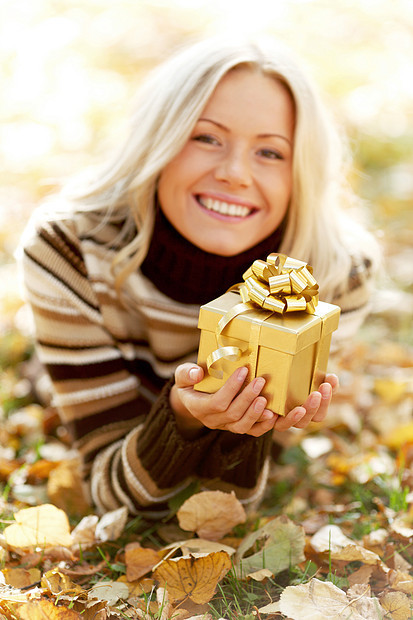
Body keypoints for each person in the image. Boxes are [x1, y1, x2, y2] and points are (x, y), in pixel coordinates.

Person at [18, 36, 378, 517]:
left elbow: (221, 505)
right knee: (56, 384)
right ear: (160, 141)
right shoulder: (70, 250)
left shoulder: (335, 275)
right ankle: (49, 365)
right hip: (120, 386)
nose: (234, 173)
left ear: (301, 171)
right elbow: (110, 495)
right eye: (205, 137)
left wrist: (245, 427)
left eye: (270, 152)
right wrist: (183, 417)